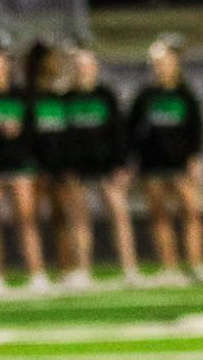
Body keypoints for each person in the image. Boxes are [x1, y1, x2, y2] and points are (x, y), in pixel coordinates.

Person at [0, 34, 47, 293]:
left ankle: (36, 273)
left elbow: (34, 131)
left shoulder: (21, 96)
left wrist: (18, 130)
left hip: (20, 165)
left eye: (0, 65)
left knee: (26, 220)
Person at [129, 36, 203, 283]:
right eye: (159, 62)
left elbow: (197, 129)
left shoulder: (186, 95)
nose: (163, 66)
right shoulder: (145, 97)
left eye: (167, 61)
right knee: (159, 215)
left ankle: (194, 264)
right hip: (153, 164)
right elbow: (132, 131)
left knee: (192, 212)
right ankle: (169, 267)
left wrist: (195, 159)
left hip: (181, 163)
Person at [65, 45, 137, 282]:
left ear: (94, 68)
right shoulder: (66, 98)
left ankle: (129, 269)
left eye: (87, 65)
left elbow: (120, 132)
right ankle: (83, 271)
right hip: (77, 167)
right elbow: (61, 137)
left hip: (107, 166)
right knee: (79, 219)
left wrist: (122, 164)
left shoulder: (106, 95)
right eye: (79, 66)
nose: (83, 70)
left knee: (119, 215)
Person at [26, 40, 85, 288]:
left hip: (62, 165)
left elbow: (69, 134)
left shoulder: (62, 96)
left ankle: (70, 268)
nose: (55, 63)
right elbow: (29, 134)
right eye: (51, 59)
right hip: (38, 167)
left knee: (65, 216)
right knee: (33, 219)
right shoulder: (30, 97)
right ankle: (38, 272)